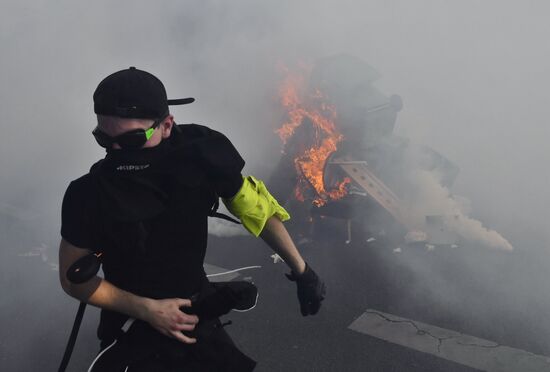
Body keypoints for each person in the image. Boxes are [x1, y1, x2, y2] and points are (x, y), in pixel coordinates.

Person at [58, 67, 326, 371]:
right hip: (132, 326)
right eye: (104, 139)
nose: (117, 150)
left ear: (167, 125)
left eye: (132, 140)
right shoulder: (88, 194)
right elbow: (73, 280)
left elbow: (256, 210)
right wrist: (148, 310)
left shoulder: (201, 156)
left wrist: (303, 271)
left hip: (198, 313)